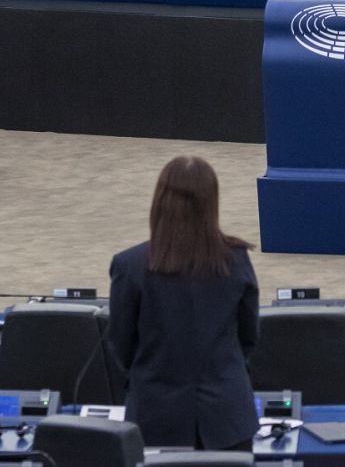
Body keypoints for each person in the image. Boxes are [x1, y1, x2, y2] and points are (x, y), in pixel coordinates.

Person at [110, 155, 259, 451]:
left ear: (159, 201)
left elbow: (120, 345)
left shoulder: (130, 265)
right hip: (227, 419)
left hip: (155, 418)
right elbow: (249, 337)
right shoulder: (236, 259)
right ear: (211, 203)